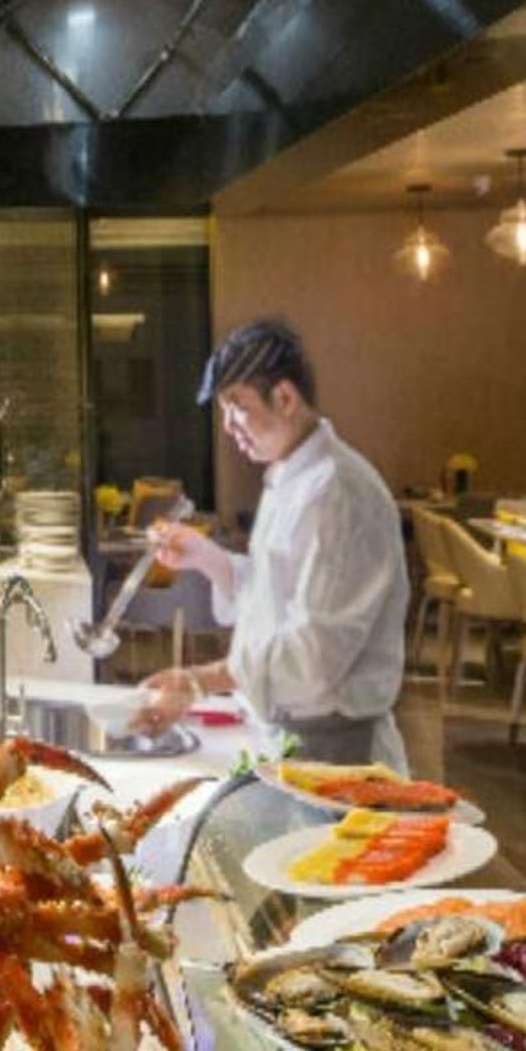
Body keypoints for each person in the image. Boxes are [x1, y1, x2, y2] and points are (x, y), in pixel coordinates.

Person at [133, 317, 412, 769]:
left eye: (237, 406)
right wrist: (206, 556)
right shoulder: (292, 476)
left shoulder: (337, 490)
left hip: (336, 750)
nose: (228, 426)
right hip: (286, 732)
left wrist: (200, 681)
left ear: (284, 398)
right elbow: (273, 594)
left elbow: (314, 654)